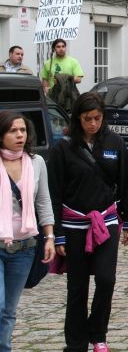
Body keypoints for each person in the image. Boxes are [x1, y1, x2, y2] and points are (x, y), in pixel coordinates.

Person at [48, 92, 128, 352]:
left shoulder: (114, 142)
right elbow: (54, 192)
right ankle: (75, 343)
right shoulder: (63, 147)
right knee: (77, 287)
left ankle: (98, 334)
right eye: (87, 119)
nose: (93, 124)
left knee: (106, 280)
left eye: (97, 118)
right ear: (78, 118)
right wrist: (58, 233)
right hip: (73, 225)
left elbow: (126, 181)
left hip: (106, 222)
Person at [0, 111, 55, 351]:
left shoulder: (36, 162)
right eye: (13, 130)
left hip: (24, 248)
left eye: (23, 130)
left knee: (9, 310)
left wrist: (50, 236)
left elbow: (43, 201)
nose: (20, 135)